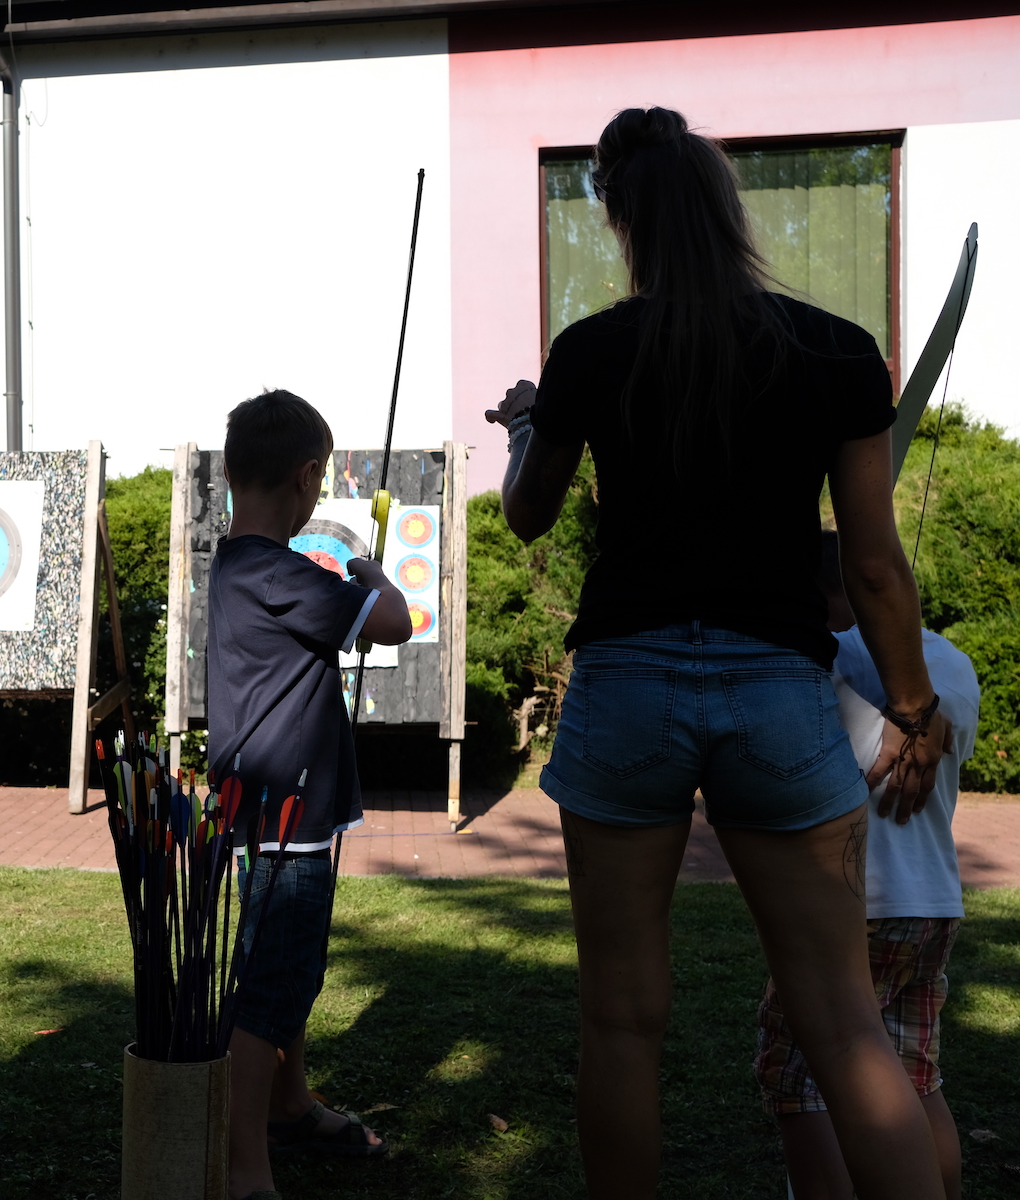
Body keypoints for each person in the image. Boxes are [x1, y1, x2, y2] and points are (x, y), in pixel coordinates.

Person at [485, 106, 951, 1200]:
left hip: (625, 688)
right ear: (727, 210)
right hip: (778, 691)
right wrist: (914, 708)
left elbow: (527, 515)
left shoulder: (590, 350)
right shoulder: (837, 351)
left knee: (620, 1018)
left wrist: (529, 428)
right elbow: (874, 567)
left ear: (622, 219)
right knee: (845, 1022)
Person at [206, 389, 411, 1200]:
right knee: (268, 991)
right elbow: (392, 621)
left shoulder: (236, 564)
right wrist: (371, 574)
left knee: (287, 970)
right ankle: (244, 1169)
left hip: (276, 812)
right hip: (285, 817)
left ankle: (288, 1107)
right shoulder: (280, 574)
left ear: (232, 474)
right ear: (306, 476)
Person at [759, 531, 980, 1199]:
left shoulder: (825, 658)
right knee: (916, 1080)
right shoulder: (954, 664)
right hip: (934, 906)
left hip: (856, 907)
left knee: (800, 1080)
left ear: (832, 597)